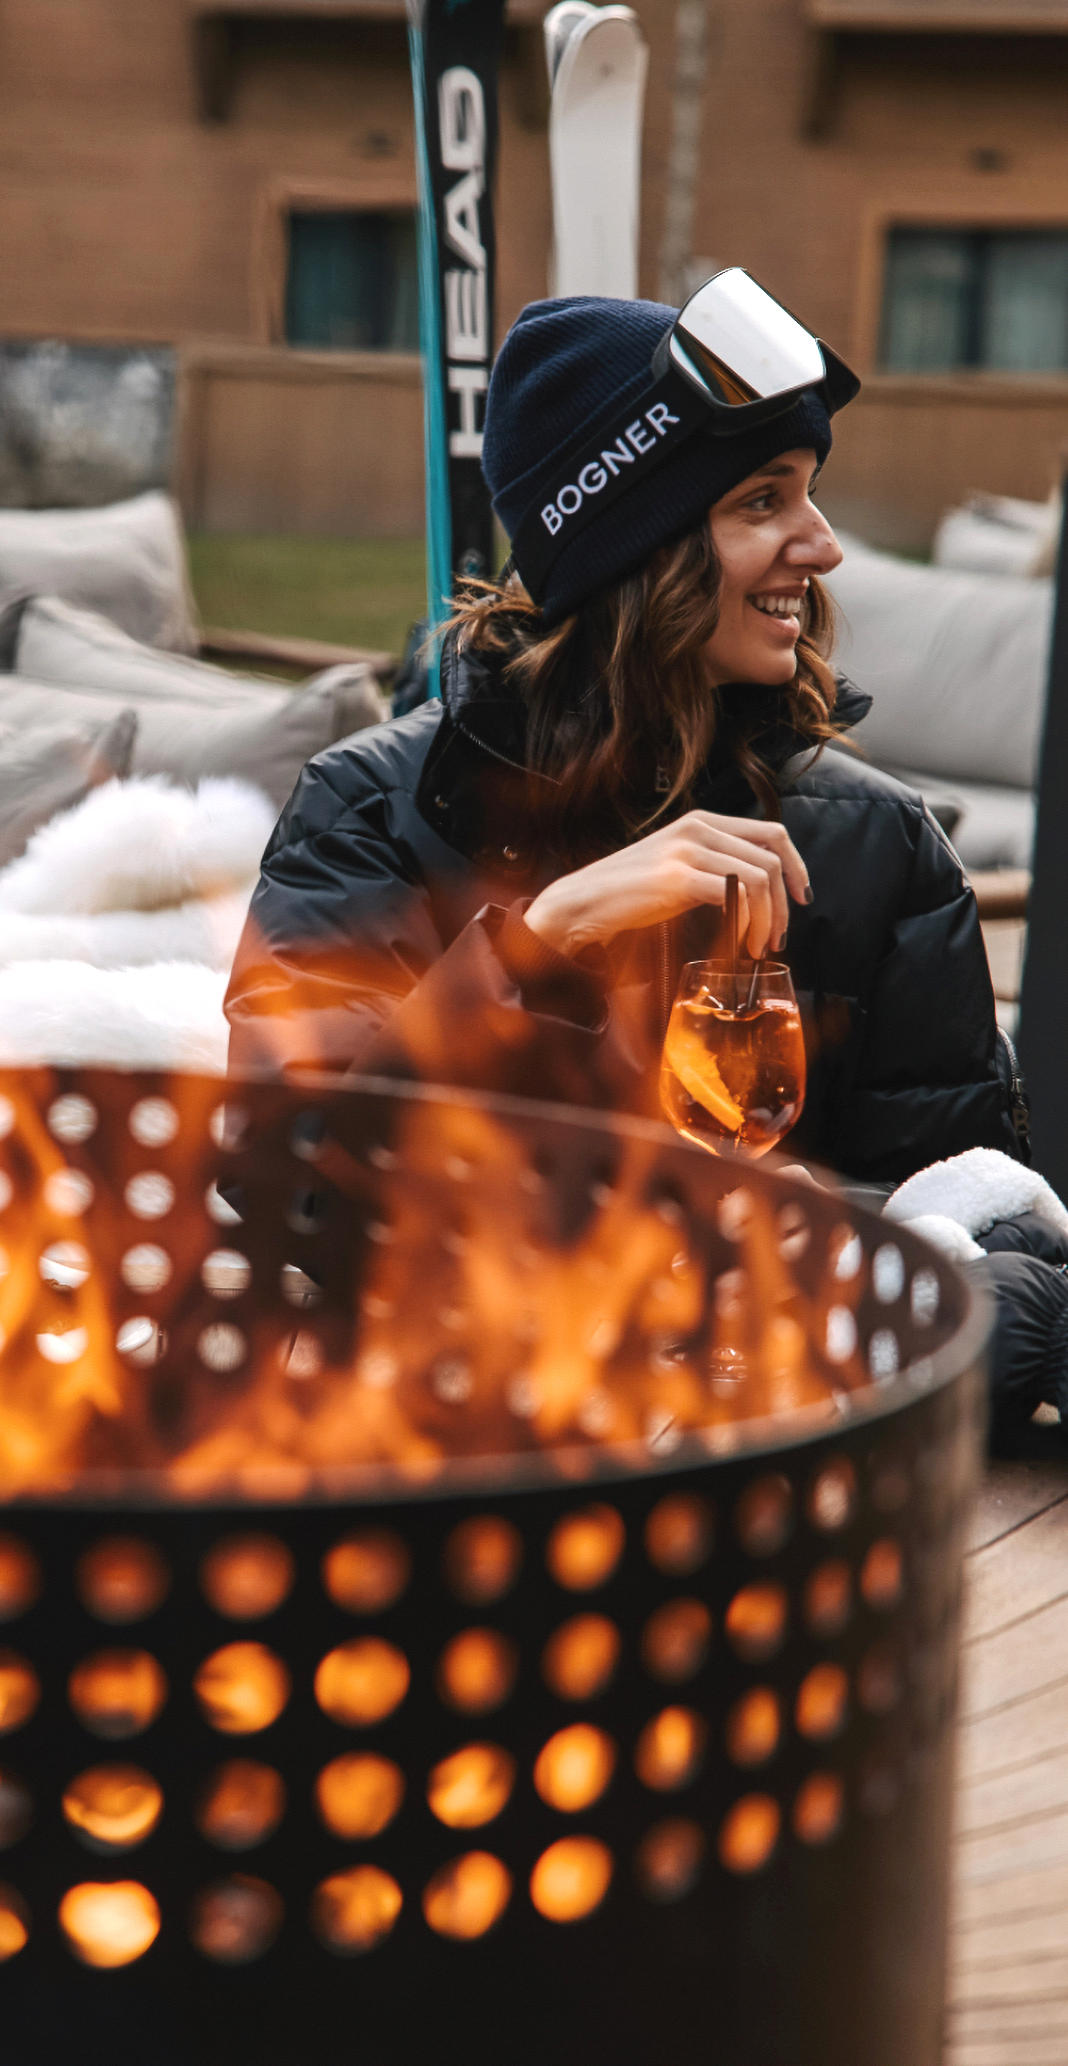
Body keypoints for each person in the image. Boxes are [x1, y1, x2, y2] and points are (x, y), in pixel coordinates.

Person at [225, 282, 1066, 1438]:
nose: (823, 545)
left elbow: (984, 1226)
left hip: (782, 1485)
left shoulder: (877, 846)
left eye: (808, 492)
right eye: (763, 500)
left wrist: (795, 1228)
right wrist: (537, 947)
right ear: (633, 545)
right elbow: (293, 1201)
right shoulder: (373, 809)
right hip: (446, 1466)